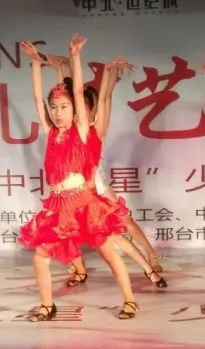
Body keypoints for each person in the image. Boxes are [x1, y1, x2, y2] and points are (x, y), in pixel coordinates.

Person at [18, 35, 139, 321]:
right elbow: (36, 98)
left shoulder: (82, 131)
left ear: (75, 109)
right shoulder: (51, 132)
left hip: (84, 203)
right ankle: (47, 305)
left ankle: (130, 300)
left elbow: (77, 89)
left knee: (109, 253)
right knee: (41, 257)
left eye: (64, 107)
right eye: (54, 107)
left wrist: (75, 57)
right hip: (58, 206)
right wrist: (35, 65)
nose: (58, 113)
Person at [44, 54, 167, 289]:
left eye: (85, 106)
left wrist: (110, 73)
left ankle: (150, 257)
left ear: (90, 110)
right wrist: (62, 68)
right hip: (77, 192)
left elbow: (104, 97)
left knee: (122, 225)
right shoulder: (68, 131)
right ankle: (79, 269)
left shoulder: (95, 129)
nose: (81, 110)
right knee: (68, 230)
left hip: (97, 188)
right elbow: (66, 92)